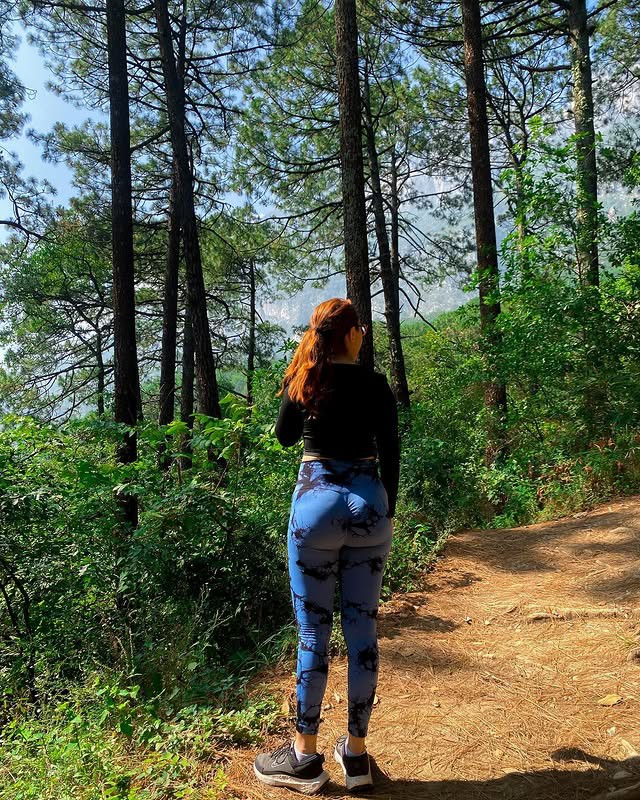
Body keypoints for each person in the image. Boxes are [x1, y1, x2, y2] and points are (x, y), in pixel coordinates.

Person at [253, 298, 400, 794]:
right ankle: (355, 756)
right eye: (361, 328)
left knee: (313, 635)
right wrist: (386, 511)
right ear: (352, 334)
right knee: (363, 633)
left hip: (315, 509)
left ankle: (303, 758)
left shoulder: (306, 378)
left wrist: (300, 376)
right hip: (369, 506)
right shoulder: (375, 384)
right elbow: (391, 454)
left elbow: (283, 436)